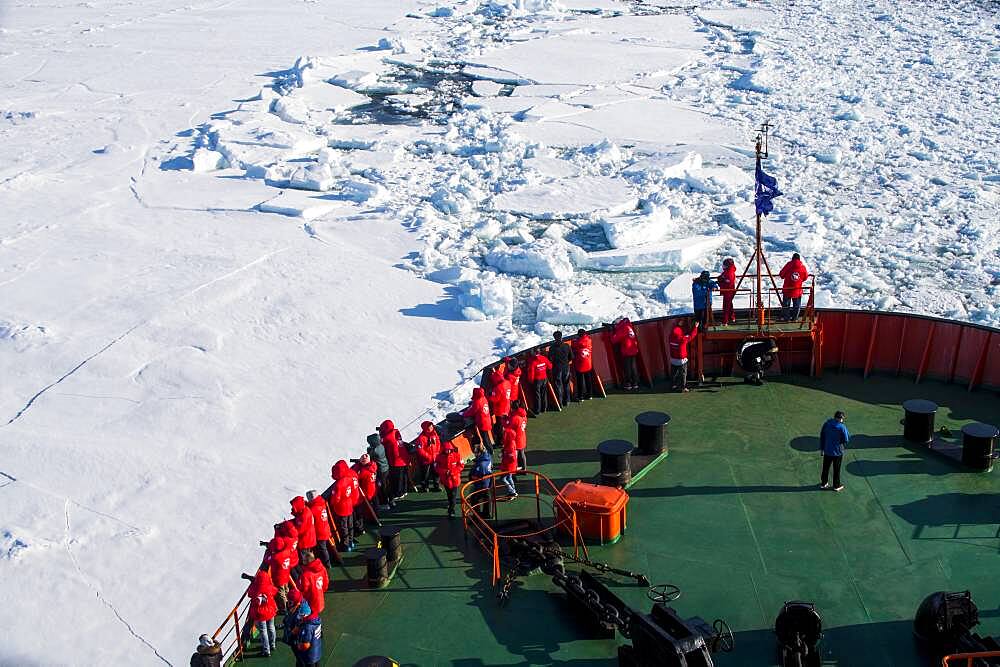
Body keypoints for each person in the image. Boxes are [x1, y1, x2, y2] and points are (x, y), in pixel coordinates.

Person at [246, 568, 278, 657]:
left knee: (263, 631)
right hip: (270, 610)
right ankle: (273, 645)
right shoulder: (269, 587)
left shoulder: (255, 588)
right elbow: (275, 591)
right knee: (271, 627)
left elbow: (250, 594)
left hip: (260, 613)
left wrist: (253, 582)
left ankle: (266, 650)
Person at [330, 460, 358, 551]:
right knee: (350, 524)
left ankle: (346, 545)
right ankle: (351, 541)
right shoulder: (349, 478)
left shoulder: (338, 485)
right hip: (349, 505)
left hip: (342, 509)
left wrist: (332, 502)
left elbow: (336, 499)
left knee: (344, 526)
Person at [380, 419, 410, 502]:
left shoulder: (387, 437)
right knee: (404, 477)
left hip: (396, 461)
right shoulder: (396, 432)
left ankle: (398, 493)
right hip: (403, 459)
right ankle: (404, 491)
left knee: (397, 479)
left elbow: (382, 442)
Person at [819, 411, 850, 492]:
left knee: (825, 468)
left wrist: (822, 448)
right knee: (836, 469)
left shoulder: (827, 424)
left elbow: (822, 435)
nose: (842, 420)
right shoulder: (842, 427)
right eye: (842, 418)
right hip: (837, 452)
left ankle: (823, 483)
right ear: (839, 418)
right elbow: (846, 439)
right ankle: (836, 486)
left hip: (827, 450)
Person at [435, 441, 465, 518]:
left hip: (455, 480)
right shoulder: (439, 457)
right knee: (449, 495)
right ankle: (450, 505)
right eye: (446, 449)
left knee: (453, 495)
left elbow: (461, 465)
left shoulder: (457, 456)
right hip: (445, 480)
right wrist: (445, 472)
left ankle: (451, 511)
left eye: (449, 449)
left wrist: (452, 472)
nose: (448, 451)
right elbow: (436, 467)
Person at [289, 599, 322, 667]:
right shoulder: (316, 620)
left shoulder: (307, 627)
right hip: (316, 650)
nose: (300, 617)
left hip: (309, 655)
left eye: (301, 615)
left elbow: (305, 645)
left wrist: (298, 646)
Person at [668, 321, 699, 392]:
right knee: (683, 374)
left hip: (673, 359)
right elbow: (692, 335)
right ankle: (683, 387)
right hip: (681, 360)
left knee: (674, 373)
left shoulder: (670, 337)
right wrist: (695, 327)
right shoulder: (682, 339)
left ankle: (673, 385)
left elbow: (674, 331)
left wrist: (678, 325)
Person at [305, 491, 333, 569]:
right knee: (324, 548)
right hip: (326, 528)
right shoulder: (321, 503)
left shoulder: (313, 509)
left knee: (323, 549)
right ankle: (329, 562)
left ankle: (327, 564)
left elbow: (310, 513)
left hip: (320, 532)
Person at [611, 317, 641, 390]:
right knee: (633, 367)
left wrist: (611, 332)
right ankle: (635, 383)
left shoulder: (623, 328)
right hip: (633, 349)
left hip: (627, 351)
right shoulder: (628, 326)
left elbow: (614, 340)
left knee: (627, 368)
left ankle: (628, 384)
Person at [297, 550, 328, 619]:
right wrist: (320, 591)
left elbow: (304, 589)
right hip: (319, 596)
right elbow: (325, 582)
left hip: (310, 600)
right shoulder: (322, 569)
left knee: (310, 618)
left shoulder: (306, 575)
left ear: (306, 562)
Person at [779, 253, 809, 322]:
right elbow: (805, 277)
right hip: (797, 290)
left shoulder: (788, 265)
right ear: (799, 259)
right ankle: (795, 318)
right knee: (797, 306)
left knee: (786, 305)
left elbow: (781, 275)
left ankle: (786, 318)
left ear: (792, 258)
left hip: (787, 289)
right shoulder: (803, 267)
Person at [413, 420, 441, 492]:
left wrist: (437, 453)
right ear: (425, 428)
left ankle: (436, 486)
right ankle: (425, 487)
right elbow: (420, 450)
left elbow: (438, 443)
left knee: (436, 473)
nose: (431, 427)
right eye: (429, 426)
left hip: (435, 458)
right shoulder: (421, 438)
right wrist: (428, 456)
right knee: (425, 474)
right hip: (426, 460)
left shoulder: (434, 434)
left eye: (431, 426)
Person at [352, 453, 380, 524]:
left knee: (368, 508)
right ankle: (376, 516)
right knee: (375, 505)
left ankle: (372, 519)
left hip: (367, 492)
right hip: (373, 489)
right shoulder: (373, 466)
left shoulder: (364, 471)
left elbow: (356, 475)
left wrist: (358, 465)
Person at [548, 331, 574, 407]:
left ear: (554, 338)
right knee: (566, 384)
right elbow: (571, 357)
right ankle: (567, 400)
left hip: (557, 368)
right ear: (561, 336)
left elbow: (550, 359)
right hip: (566, 367)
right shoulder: (566, 346)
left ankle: (560, 402)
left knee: (558, 385)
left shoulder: (552, 348)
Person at [268, 536, 294, 612]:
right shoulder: (287, 551)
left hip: (279, 578)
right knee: (286, 589)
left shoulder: (276, 557)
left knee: (281, 593)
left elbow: (268, 560)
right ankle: (290, 602)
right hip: (286, 574)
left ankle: (284, 608)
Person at [366, 432, 390, 510]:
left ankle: (384, 503)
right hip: (386, 468)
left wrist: (369, 451)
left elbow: (369, 458)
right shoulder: (381, 446)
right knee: (386, 485)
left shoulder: (375, 451)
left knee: (382, 487)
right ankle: (391, 500)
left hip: (380, 471)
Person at [290, 496, 316, 565]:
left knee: (306, 558)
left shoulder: (304, 515)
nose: (293, 508)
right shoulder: (304, 511)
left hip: (306, 541)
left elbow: (299, 530)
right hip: (308, 539)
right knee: (308, 556)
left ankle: (307, 569)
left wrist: (289, 528)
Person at [469, 442, 493, 518]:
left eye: (475, 453)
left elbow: (478, 477)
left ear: (479, 453)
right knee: (487, 498)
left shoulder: (481, 465)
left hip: (481, 485)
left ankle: (476, 515)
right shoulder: (488, 457)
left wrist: (472, 477)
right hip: (488, 482)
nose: (474, 454)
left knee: (474, 498)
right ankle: (487, 513)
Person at [488, 369, 512, 442]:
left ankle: (501, 441)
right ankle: (506, 438)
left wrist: (489, 396)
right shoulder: (508, 383)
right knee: (505, 424)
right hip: (507, 407)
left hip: (500, 409)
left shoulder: (498, 388)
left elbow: (494, 399)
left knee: (500, 426)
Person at [527, 347, 553, 412]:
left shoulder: (532, 362)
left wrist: (531, 381)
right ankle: (544, 408)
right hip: (544, 379)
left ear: (534, 353)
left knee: (537, 395)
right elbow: (550, 366)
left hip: (537, 380)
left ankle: (537, 410)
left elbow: (531, 373)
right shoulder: (544, 358)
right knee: (544, 394)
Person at [571, 329, 594, 401]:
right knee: (588, 380)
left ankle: (580, 396)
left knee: (580, 381)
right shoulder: (589, 340)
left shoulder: (577, 342)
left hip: (580, 365)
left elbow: (574, 345)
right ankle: (590, 395)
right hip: (588, 363)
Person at [499, 420, 519, 497]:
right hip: (510, 465)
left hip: (508, 465)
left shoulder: (510, 445)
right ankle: (513, 491)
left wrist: (504, 454)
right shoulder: (511, 442)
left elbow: (512, 457)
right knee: (509, 477)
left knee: (503, 479)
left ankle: (512, 491)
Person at [717, 258, 737, 325]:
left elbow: (727, 284)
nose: (723, 266)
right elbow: (722, 277)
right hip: (728, 291)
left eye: (725, 265)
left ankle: (725, 321)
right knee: (729, 305)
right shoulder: (727, 271)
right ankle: (732, 318)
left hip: (728, 291)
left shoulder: (729, 273)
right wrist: (720, 279)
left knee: (726, 306)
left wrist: (720, 282)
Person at [509, 406, 527, 470]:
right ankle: (524, 468)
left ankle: (514, 468)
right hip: (523, 437)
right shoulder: (524, 416)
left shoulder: (516, 418)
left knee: (515, 455)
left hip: (517, 439)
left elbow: (510, 427)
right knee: (522, 454)